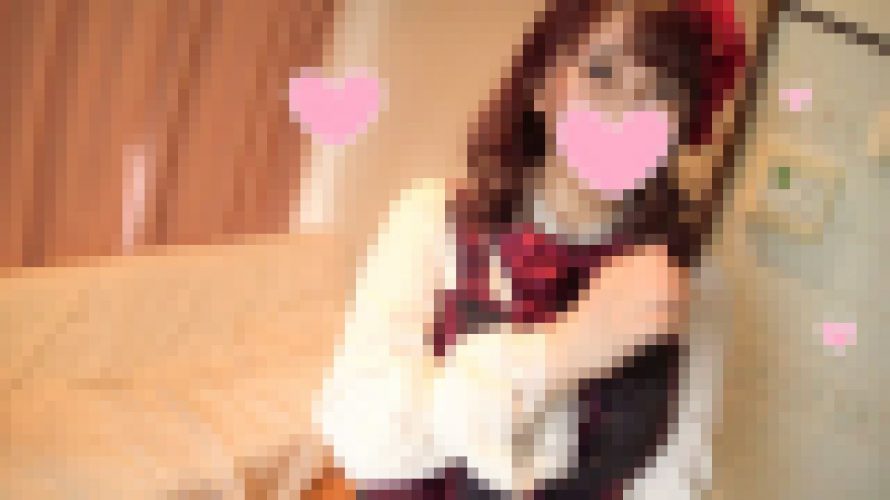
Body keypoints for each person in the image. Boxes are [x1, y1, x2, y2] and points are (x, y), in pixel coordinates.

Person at [315, 0, 747, 497]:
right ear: (542, 87)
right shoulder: (435, 217)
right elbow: (360, 440)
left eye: (662, 91)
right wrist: (562, 349)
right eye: (602, 72)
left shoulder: (692, 280)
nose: (626, 110)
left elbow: (671, 477)